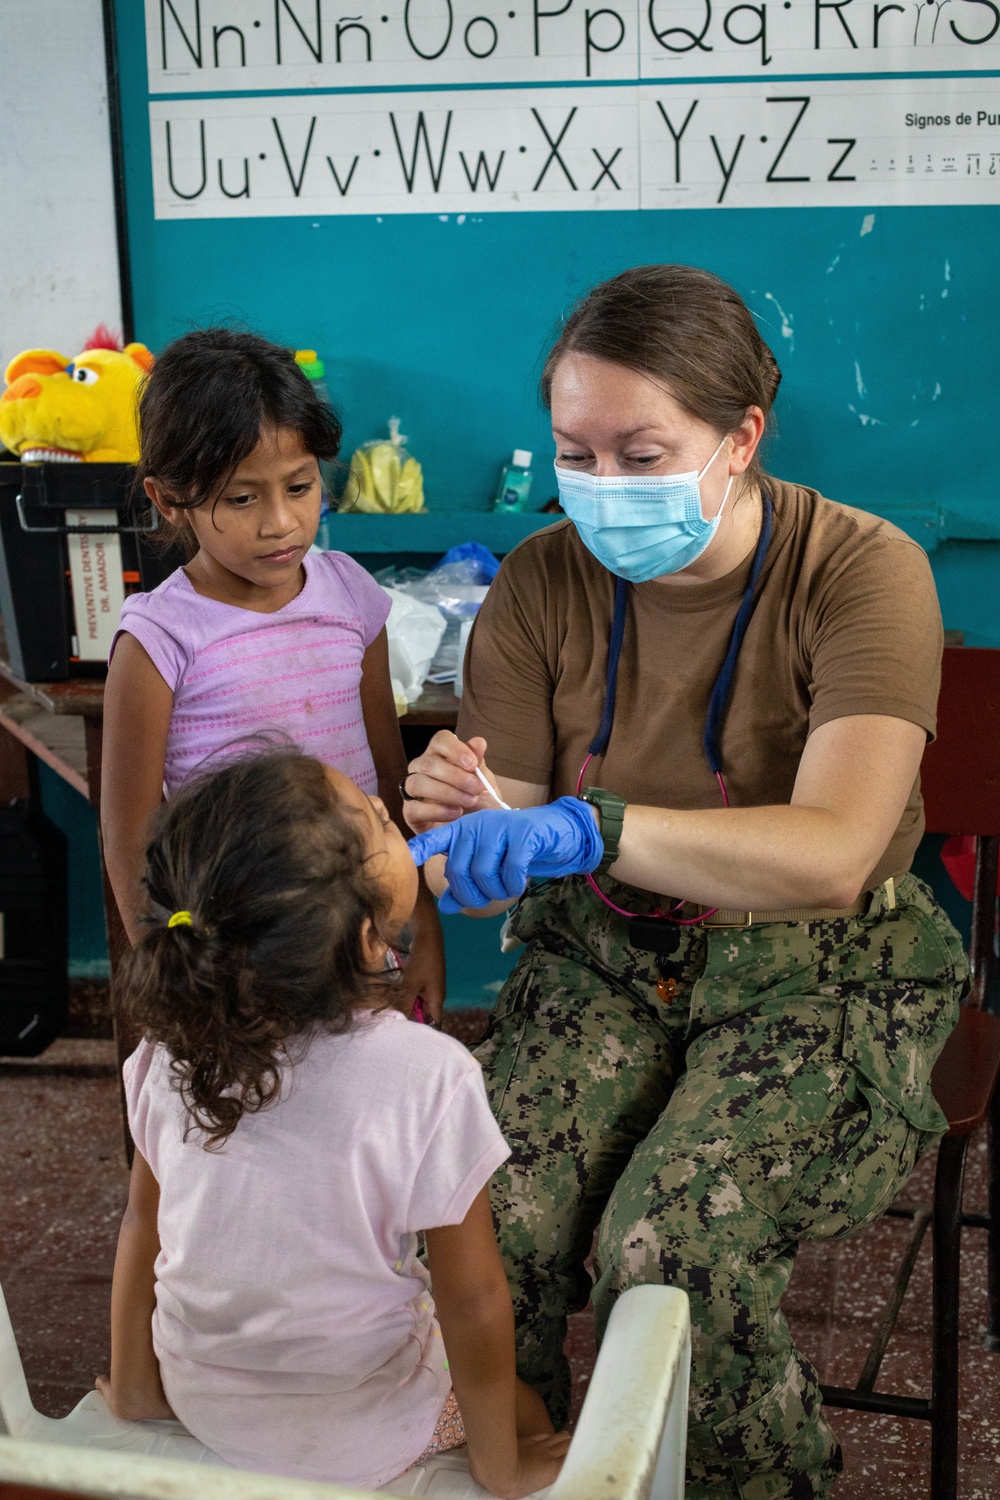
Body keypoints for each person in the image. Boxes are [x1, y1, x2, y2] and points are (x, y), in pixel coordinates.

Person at [402, 265, 969, 1499]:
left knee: (674, 1245)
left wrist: (582, 829)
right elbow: (494, 863)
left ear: (741, 437)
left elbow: (828, 854)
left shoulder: (860, 572)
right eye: (574, 451)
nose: (604, 487)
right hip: (600, 959)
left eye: (641, 449)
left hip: (820, 974)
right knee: (484, 1211)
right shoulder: (542, 586)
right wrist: (465, 831)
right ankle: (528, 1458)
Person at [97, 750, 569, 1496]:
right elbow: (472, 1298)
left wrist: (135, 1391)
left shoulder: (170, 1052)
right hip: (362, 1432)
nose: (389, 811)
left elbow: (140, 1224)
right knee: (530, 1407)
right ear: (359, 940)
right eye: (380, 820)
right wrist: (503, 1465)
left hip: (202, 1403)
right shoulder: (429, 1076)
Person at [100, 329, 443, 1017]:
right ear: (170, 500)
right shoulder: (159, 639)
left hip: (364, 942)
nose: (282, 523)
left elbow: (386, 779)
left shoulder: (349, 594)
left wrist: (422, 929)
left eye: (300, 485)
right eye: (240, 499)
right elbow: (131, 837)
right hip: (235, 961)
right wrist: (173, 982)